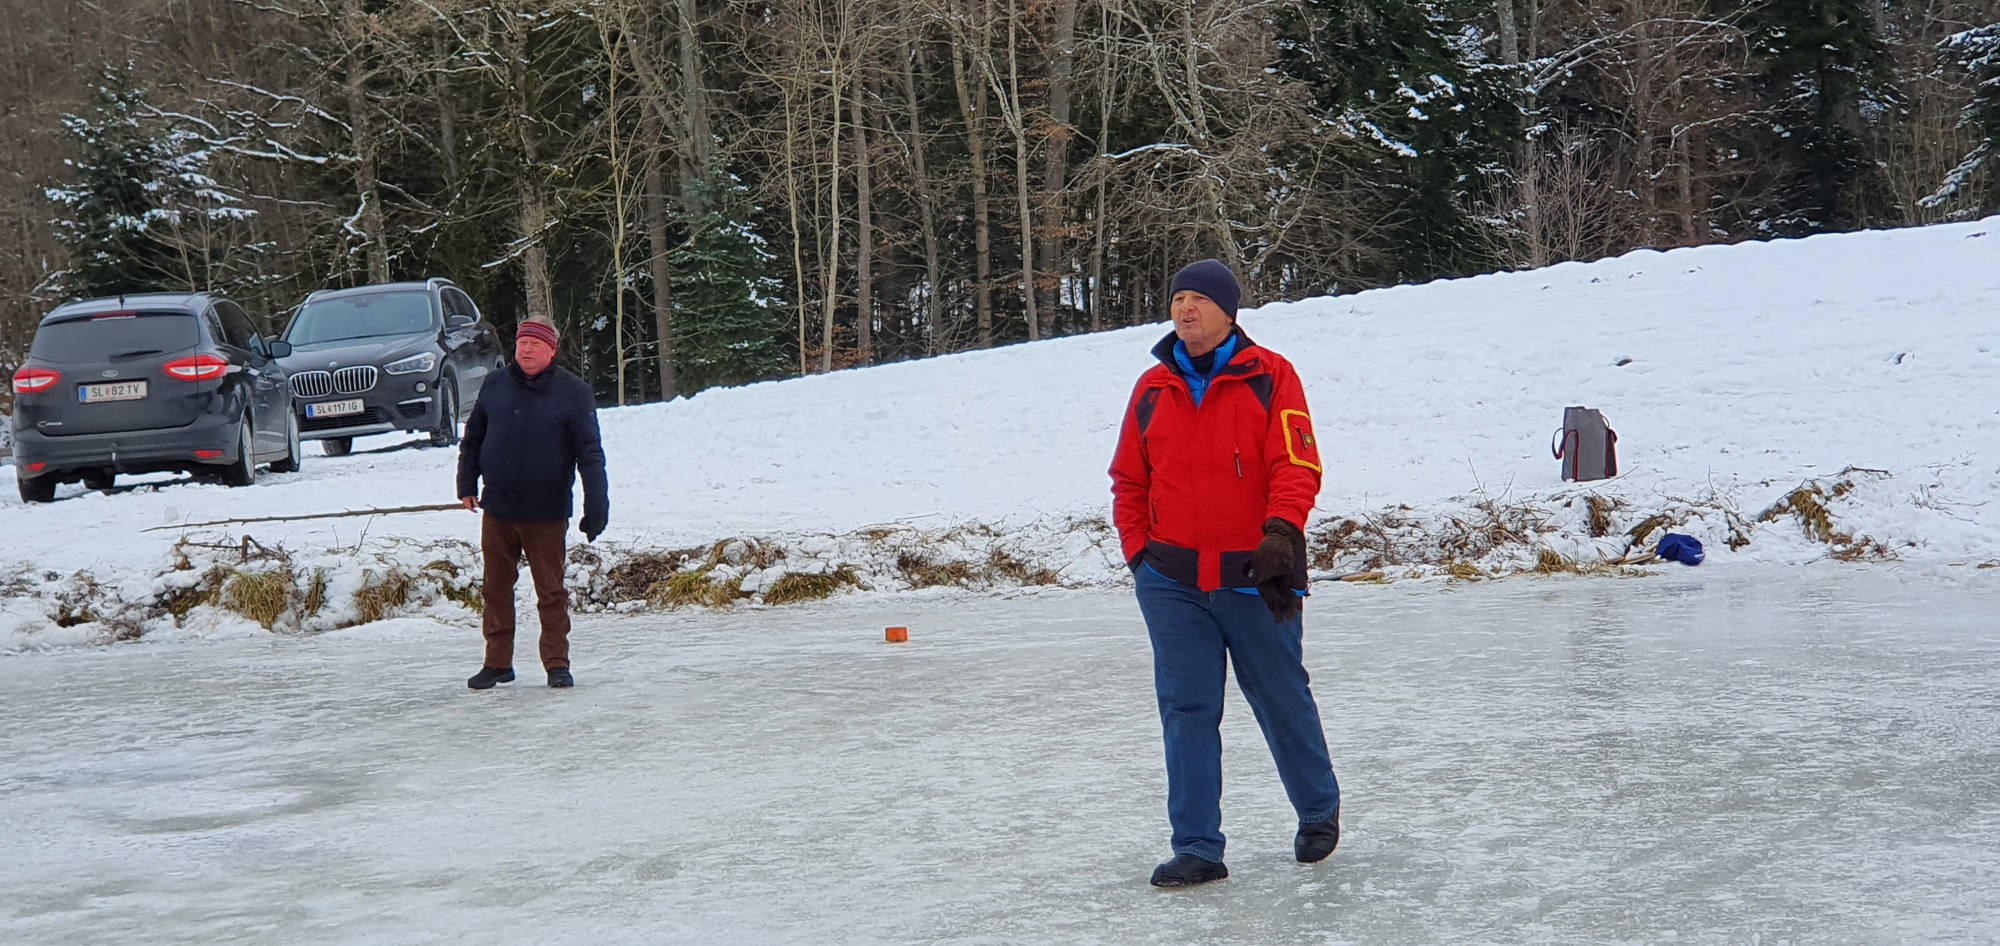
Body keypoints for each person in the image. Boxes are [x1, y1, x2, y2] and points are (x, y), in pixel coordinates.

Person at [1108, 258, 1342, 887]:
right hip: (1172, 581)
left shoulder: (1271, 376)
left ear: (1228, 311)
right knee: (1186, 709)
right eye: (1177, 299)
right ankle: (1197, 847)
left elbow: (1297, 463)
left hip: (1256, 574)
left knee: (1280, 695)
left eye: (1198, 299)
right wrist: (1140, 557)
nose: (1184, 309)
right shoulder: (1152, 388)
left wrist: (1282, 532)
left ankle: (1318, 809)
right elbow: (1129, 480)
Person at [456, 315, 608, 690]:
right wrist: (466, 483)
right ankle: (497, 663)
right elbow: (473, 439)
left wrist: (596, 506)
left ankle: (557, 663)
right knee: (495, 589)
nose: (526, 350)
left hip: (546, 511)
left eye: (535, 344)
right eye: (522, 343)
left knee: (550, 592)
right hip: (498, 508)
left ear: (551, 350)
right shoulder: (495, 385)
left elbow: (590, 455)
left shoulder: (573, 392)